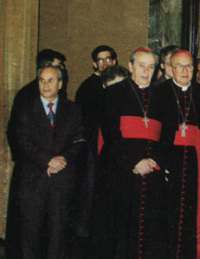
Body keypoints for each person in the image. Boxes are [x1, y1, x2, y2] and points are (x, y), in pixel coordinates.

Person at [95, 47, 170, 259]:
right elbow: (111, 135)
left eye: (151, 66)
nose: (146, 71)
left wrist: (153, 160)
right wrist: (134, 162)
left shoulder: (163, 97)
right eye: (141, 65)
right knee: (119, 231)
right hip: (121, 172)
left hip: (152, 172)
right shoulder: (113, 93)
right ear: (130, 67)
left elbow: (168, 136)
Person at [5, 64, 86, 259]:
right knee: (30, 234)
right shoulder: (25, 108)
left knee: (59, 234)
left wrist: (63, 159)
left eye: (50, 80)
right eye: (42, 80)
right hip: (33, 180)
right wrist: (48, 161)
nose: (45, 84)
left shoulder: (73, 109)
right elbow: (21, 140)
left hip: (62, 180)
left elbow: (80, 139)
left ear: (60, 83)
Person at [156, 49, 200, 259]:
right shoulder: (160, 93)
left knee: (192, 211)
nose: (184, 70)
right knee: (168, 211)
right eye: (179, 66)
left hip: (197, 159)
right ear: (170, 69)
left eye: (188, 66)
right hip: (170, 158)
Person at [73, 44, 117, 250]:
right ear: (94, 63)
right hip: (92, 147)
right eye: (100, 59)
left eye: (108, 58)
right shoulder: (88, 87)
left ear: (115, 61)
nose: (105, 63)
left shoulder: (120, 84)